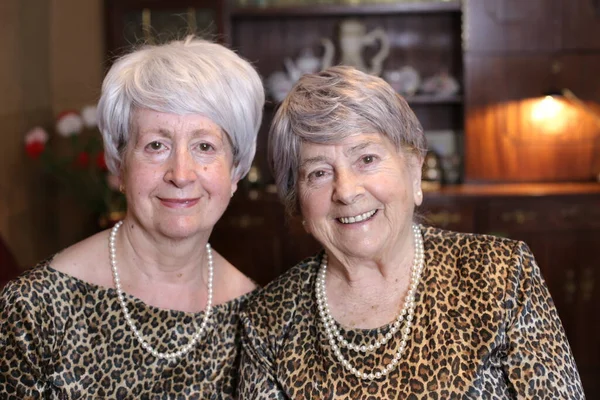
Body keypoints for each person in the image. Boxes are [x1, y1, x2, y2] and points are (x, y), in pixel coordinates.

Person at [238, 66, 584, 399]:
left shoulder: (500, 272)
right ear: (297, 201)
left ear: (414, 170)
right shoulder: (268, 321)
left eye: (367, 159)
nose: (345, 190)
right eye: (318, 173)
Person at [0, 36, 264, 398]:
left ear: (235, 172)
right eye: (157, 145)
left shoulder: (258, 320)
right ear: (120, 166)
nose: (181, 173)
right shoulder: (34, 309)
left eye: (205, 146)